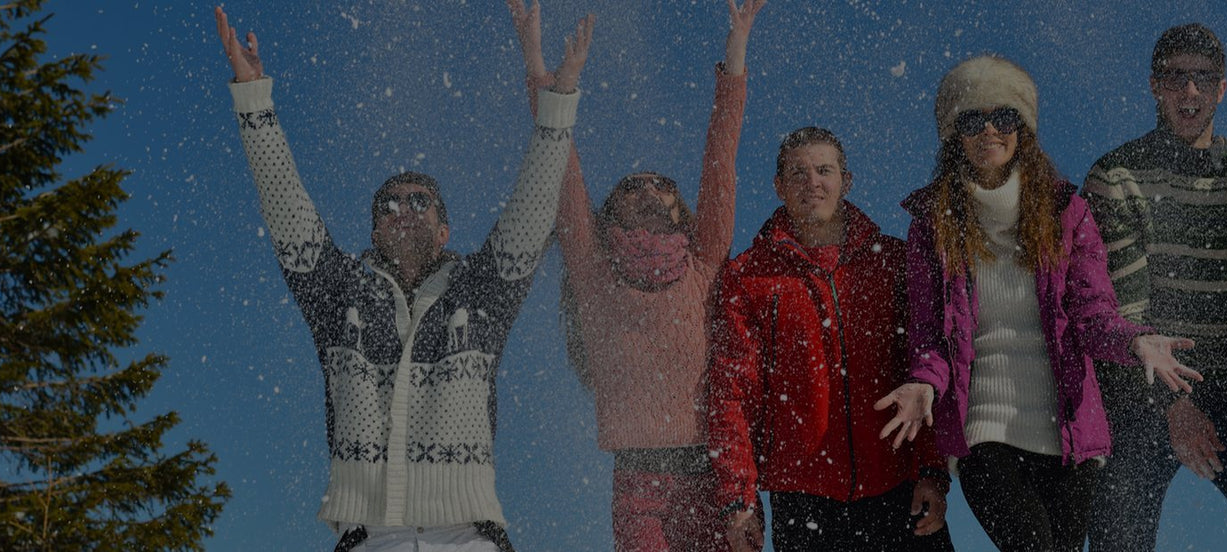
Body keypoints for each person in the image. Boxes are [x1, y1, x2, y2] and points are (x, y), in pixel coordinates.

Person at [215, 5, 592, 551]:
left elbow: (531, 214)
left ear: (444, 230)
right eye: (388, 205)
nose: (403, 210)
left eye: (419, 201)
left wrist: (556, 111)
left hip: (468, 537)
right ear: (374, 232)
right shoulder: (340, 294)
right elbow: (287, 212)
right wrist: (255, 100)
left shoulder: (480, 292)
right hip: (372, 537)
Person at [874, 55, 1201, 552]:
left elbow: (1093, 314)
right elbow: (929, 332)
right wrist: (925, 381)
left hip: (1066, 430)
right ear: (954, 136)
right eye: (972, 120)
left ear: (1022, 129)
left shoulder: (1068, 213)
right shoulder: (931, 227)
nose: (990, 130)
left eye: (1004, 117)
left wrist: (1135, 342)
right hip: (983, 425)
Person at [507, 0, 764, 549]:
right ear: (611, 212)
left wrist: (736, 52)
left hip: (715, 474)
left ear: (680, 208)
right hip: (638, 481)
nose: (649, 190)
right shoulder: (594, 272)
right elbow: (562, 172)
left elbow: (721, 157)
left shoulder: (703, 263)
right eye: (633, 185)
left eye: (662, 184)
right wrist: (541, 67)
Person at [1079, 23, 1227, 552]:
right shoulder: (1117, 176)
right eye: (1176, 77)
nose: (1190, 90)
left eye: (1203, 78)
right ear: (1155, 85)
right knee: (1116, 539)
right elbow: (1126, 315)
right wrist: (1172, 407)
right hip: (1142, 394)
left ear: (1222, 89)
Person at [706, 127, 953, 552]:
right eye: (797, 173)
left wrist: (932, 470)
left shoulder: (892, 261)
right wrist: (739, 498)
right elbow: (732, 393)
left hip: (898, 487)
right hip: (804, 502)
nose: (812, 183)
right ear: (778, 186)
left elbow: (923, 365)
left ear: (846, 181)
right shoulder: (749, 276)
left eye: (824, 170)